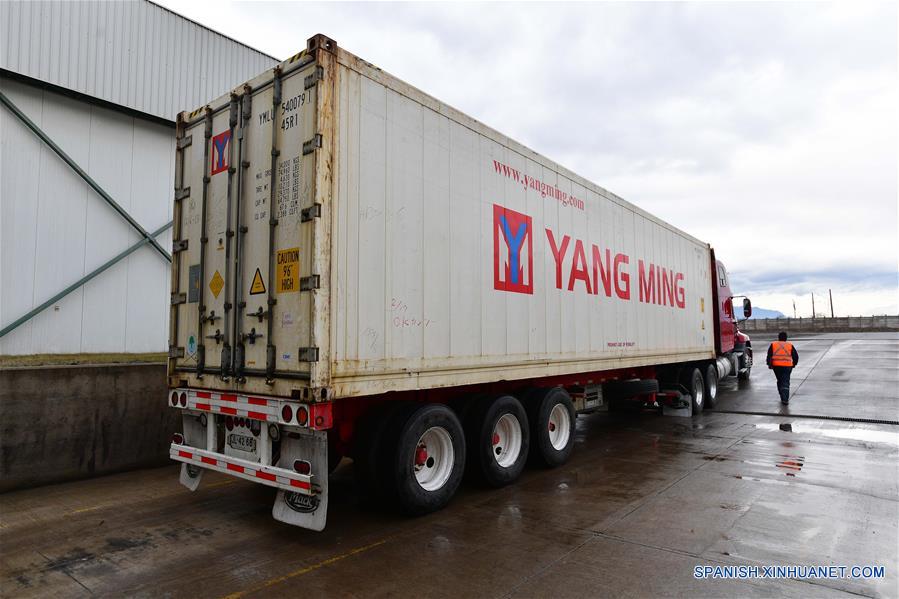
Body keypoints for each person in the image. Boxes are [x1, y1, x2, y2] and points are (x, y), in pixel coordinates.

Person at [767, 332, 799, 404]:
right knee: (785, 381)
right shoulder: (790, 345)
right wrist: (794, 364)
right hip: (787, 366)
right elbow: (795, 356)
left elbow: (769, 355)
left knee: (780, 380)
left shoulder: (773, 344)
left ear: (778, 337)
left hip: (776, 366)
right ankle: (785, 399)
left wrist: (769, 364)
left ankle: (782, 394)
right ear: (786, 338)